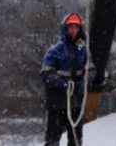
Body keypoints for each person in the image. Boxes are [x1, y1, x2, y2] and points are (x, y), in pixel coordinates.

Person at [40, 13, 94, 146]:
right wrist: (64, 83)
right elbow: (46, 75)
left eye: (76, 27)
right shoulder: (54, 51)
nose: (73, 30)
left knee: (76, 139)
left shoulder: (84, 50)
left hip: (76, 102)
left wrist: (85, 82)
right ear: (65, 28)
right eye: (70, 27)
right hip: (57, 102)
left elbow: (91, 70)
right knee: (53, 139)